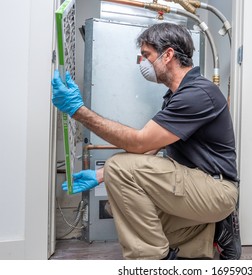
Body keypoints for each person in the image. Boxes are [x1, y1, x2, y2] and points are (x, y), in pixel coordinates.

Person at [52, 22, 241, 260]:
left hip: (215, 190)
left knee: (119, 168)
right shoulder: (176, 95)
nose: (143, 63)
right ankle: (209, 233)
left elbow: (140, 142)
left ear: (168, 54)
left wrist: (78, 111)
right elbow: (152, 146)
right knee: (120, 203)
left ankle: (153, 261)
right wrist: (100, 176)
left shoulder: (197, 93)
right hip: (198, 187)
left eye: (146, 56)